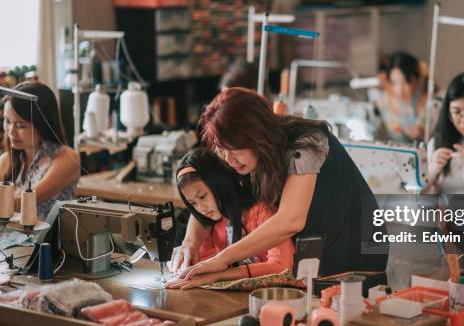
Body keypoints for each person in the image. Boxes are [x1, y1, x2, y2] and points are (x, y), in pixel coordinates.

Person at [172, 88, 386, 287]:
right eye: (221, 150)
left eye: (233, 150)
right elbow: (211, 188)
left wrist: (223, 259)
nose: (228, 159)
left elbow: (290, 220)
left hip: (357, 247)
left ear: (256, 134)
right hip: (315, 252)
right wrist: (190, 242)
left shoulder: (307, 143)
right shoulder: (241, 155)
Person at [166, 148, 294, 289]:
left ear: (221, 184)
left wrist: (219, 275)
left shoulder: (261, 212)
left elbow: (281, 267)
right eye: (193, 203)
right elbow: (202, 267)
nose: (201, 208)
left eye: (202, 196)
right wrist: (182, 268)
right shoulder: (212, 223)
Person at [0, 82, 80, 220]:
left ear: (42, 123)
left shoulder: (67, 158)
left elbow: (22, 203)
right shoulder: (6, 160)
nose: (11, 132)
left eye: (21, 126)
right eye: (7, 121)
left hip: (48, 241)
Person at [377, 52, 427, 142]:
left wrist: (423, 133)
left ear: (416, 79)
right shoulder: (383, 100)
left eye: (405, 82)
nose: (399, 90)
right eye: (394, 82)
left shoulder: (427, 103)